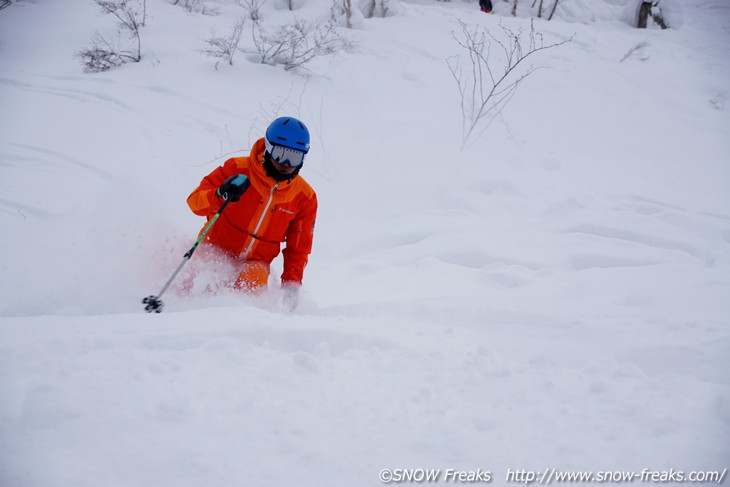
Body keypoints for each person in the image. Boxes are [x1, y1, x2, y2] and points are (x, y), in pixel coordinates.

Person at [186, 117, 318, 310]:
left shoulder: (304, 197)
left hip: (255, 263)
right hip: (215, 250)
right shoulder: (237, 169)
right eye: (281, 154)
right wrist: (220, 194)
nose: (287, 163)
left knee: (254, 282)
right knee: (206, 281)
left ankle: (244, 329)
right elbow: (194, 203)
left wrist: (291, 283)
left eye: (295, 157)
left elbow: (298, 248)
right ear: (268, 147)